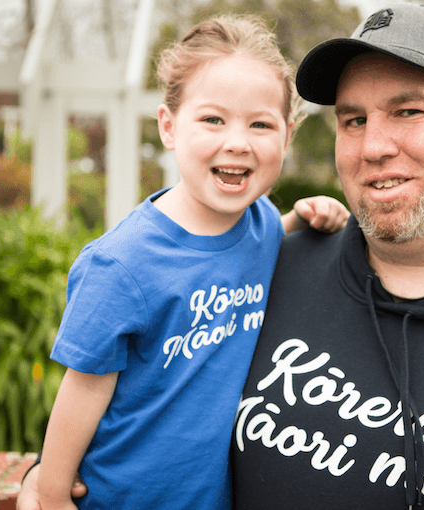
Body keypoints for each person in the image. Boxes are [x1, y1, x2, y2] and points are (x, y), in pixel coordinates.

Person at [19, 4, 424, 509]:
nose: (373, 146)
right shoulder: (275, 261)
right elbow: (135, 378)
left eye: (408, 112)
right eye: (353, 119)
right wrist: (41, 482)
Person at [33, 14, 348, 510]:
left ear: (286, 137)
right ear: (168, 127)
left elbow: (256, 242)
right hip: (125, 497)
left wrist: (304, 217)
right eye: (213, 119)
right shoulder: (122, 264)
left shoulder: (262, 221)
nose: (238, 142)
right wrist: (50, 491)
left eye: (261, 124)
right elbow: (83, 389)